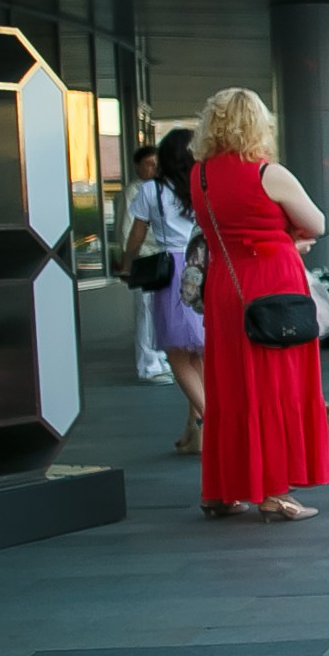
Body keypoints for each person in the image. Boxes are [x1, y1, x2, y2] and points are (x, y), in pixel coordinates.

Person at [189, 88, 328, 522]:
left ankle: (222, 490)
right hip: (273, 284)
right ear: (258, 124)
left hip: (225, 287)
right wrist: (285, 236)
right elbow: (318, 223)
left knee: (230, 386)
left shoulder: (201, 175)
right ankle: (275, 493)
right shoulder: (269, 172)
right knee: (276, 385)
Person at [121, 129, 207, 451]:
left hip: (171, 270)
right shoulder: (201, 186)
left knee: (176, 353)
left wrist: (127, 262)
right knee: (198, 353)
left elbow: (137, 235)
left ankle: (212, 420)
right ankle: (193, 434)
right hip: (202, 264)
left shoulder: (151, 190)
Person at [125, 144, 173, 384]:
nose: (154, 169)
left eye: (157, 164)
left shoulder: (161, 188)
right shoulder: (134, 191)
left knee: (161, 312)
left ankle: (162, 360)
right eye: (149, 164)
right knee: (146, 313)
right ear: (137, 166)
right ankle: (149, 365)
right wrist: (129, 261)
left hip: (164, 258)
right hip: (146, 258)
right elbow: (130, 231)